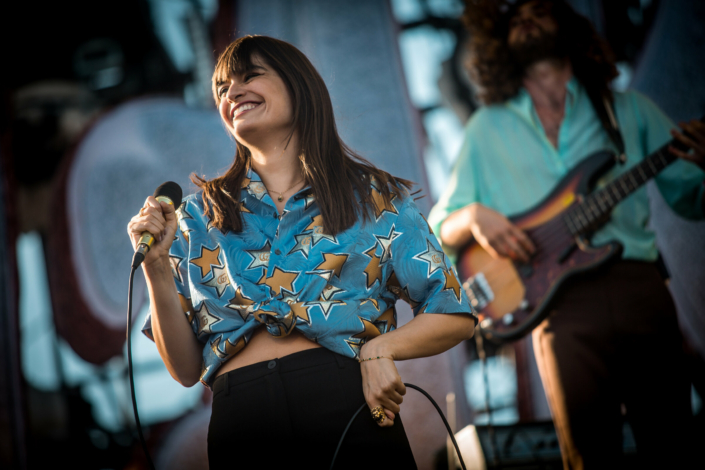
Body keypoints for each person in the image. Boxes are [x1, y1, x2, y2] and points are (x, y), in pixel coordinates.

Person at [127, 35, 476, 469]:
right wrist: (156, 268)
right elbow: (183, 370)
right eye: (222, 88)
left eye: (250, 76)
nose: (232, 92)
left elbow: (453, 312)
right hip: (242, 420)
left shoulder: (372, 199)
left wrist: (380, 350)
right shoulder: (196, 217)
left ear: (299, 86)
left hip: (349, 403)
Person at [428, 1, 705, 469]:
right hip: (557, 311)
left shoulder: (628, 109)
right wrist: (474, 214)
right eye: (514, 18)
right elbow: (440, 226)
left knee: (672, 442)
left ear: (569, 23)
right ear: (499, 41)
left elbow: (689, 200)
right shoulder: (485, 129)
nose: (525, 19)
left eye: (538, 9)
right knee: (586, 456)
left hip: (639, 289)